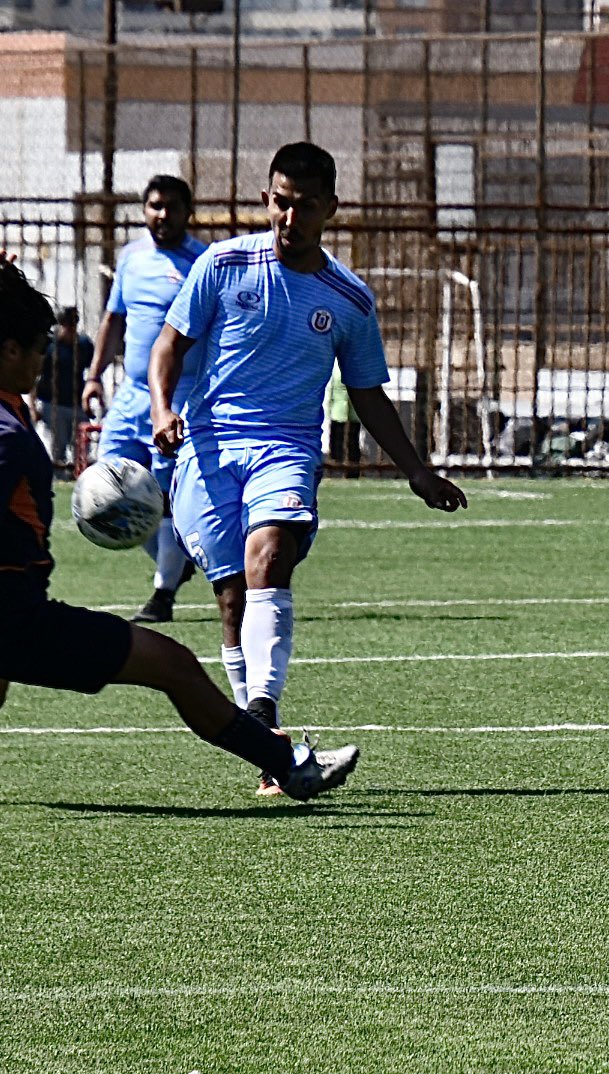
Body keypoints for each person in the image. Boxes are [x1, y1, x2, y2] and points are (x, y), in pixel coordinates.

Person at [0, 253, 361, 806]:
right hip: (1, 613)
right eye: (39, 348)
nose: (45, 359)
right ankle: (288, 765)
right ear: (10, 347)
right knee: (173, 664)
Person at [149, 142, 467, 796]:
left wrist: (415, 469)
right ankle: (271, 755)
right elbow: (168, 345)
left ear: (330, 209)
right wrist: (161, 411)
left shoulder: (347, 298)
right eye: (279, 202)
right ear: (268, 199)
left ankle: (261, 713)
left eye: (303, 206)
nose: (287, 217)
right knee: (232, 597)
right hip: (207, 447)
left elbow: (370, 393)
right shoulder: (223, 264)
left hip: (286, 447)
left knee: (271, 554)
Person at [82, 175, 207, 624]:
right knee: (110, 486)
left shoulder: (203, 263)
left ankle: (163, 595)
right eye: (154, 205)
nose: (162, 214)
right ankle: (177, 562)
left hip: (179, 399)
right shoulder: (131, 259)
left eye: (172, 206)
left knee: (168, 497)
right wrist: (94, 376)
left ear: (187, 212)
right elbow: (113, 320)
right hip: (131, 396)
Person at [30, 305, 93, 468]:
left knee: (81, 446)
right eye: (66, 325)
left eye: (72, 324)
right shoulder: (50, 346)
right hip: (52, 403)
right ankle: (58, 475)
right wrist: (32, 406)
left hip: (76, 403)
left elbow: (93, 372)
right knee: (57, 447)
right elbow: (34, 376)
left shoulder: (83, 345)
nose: (69, 329)